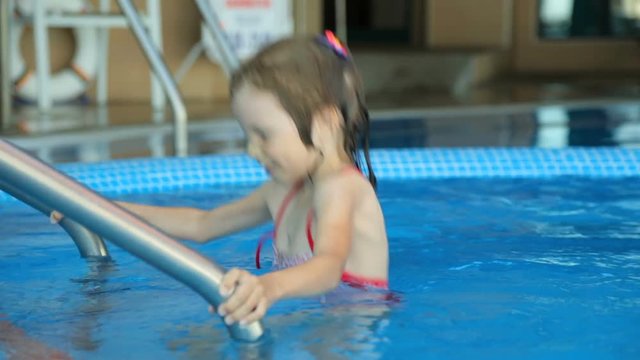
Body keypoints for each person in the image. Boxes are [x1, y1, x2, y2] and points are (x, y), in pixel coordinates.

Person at [53, 31, 389, 327]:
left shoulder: (341, 187)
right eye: (247, 135)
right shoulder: (283, 190)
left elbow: (329, 267)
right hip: (311, 324)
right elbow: (203, 224)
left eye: (263, 134)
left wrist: (268, 287)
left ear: (325, 123)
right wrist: (101, 209)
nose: (251, 151)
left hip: (352, 330)